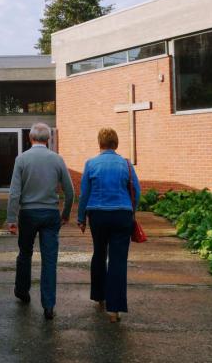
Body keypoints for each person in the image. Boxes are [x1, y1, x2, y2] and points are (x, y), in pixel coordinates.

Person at [6, 122, 74, 320]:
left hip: (27, 214)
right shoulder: (57, 159)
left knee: (25, 254)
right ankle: (49, 305)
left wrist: (12, 218)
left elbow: (14, 193)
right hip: (50, 213)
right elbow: (70, 192)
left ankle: (22, 290)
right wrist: (65, 214)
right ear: (49, 139)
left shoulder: (22, 159)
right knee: (50, 259)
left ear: (30, 137)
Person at [76, 127, 140, 322]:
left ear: (100, 143)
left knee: (99, 253)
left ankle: (99, 295)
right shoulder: (126, 164)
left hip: (98, 215)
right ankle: (115, 309)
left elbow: (84, 193)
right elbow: (136, 191)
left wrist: (81, 218)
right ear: (116, 143)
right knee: (118, 260)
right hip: (122, 215)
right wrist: (131, 211)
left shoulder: (91, 164)